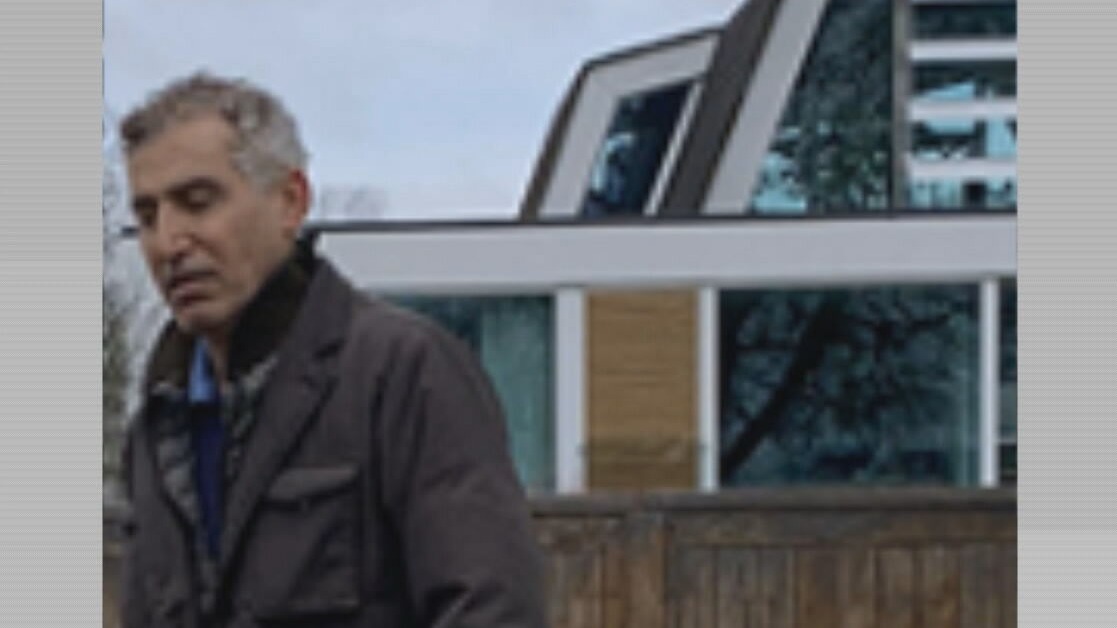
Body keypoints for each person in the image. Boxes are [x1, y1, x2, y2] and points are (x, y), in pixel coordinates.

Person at [118, 72, 547, 628]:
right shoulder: (155, 431)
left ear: (290, 201)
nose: (169, 241)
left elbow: (493, 607)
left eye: (198, 203)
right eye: (147, 217)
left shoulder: (402, 373)